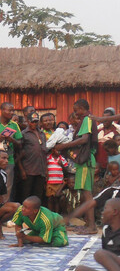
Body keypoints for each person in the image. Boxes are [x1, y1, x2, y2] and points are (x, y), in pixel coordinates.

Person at [55, 99, 97, 234]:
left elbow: (84, 139)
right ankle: (88, 224)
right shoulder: (87, 120)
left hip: (86, 162)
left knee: (87, 193)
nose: (75, 113)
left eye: (76, 110)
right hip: (84, 162)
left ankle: (91, 226)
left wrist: (64, 146)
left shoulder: (87, 120)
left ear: (81, 108)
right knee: (85, 194)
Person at [75, 198, 120, 271]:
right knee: (80, 270)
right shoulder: (106, 230)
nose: (102, 212)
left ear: (115, 212)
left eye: (105, 209)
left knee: (100, 254)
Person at [17, 113, 47, 202]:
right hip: (28, 169)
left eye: (36, 122)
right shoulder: (23, 134)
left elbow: (44, 152)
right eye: (32, 122)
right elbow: (19, 153)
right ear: (28, 122)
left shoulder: (42, 134)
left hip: (40, 169)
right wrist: (22, 170)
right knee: (26, 194)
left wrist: (46, 169)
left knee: (38, 194)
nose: (34, 124)